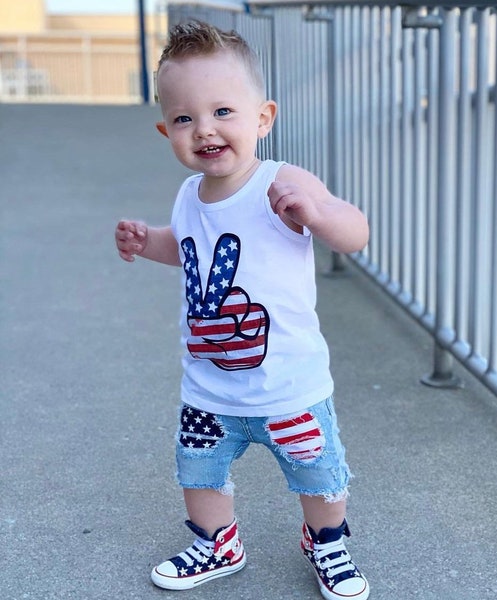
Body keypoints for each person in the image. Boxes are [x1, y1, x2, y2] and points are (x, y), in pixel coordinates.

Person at [114, 20, 370, 600]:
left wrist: (316, 215)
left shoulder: (281, 183)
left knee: (319, 475)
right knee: (199, 473)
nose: (204, 128)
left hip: (289, 386)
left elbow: (355, 233)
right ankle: (217, 541)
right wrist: (146, 240)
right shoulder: (189, 196)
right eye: (185, 118)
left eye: (223, 111)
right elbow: (187, 251)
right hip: (210, 388)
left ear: (263, 118)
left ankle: (327, 540)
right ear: (166, 130)